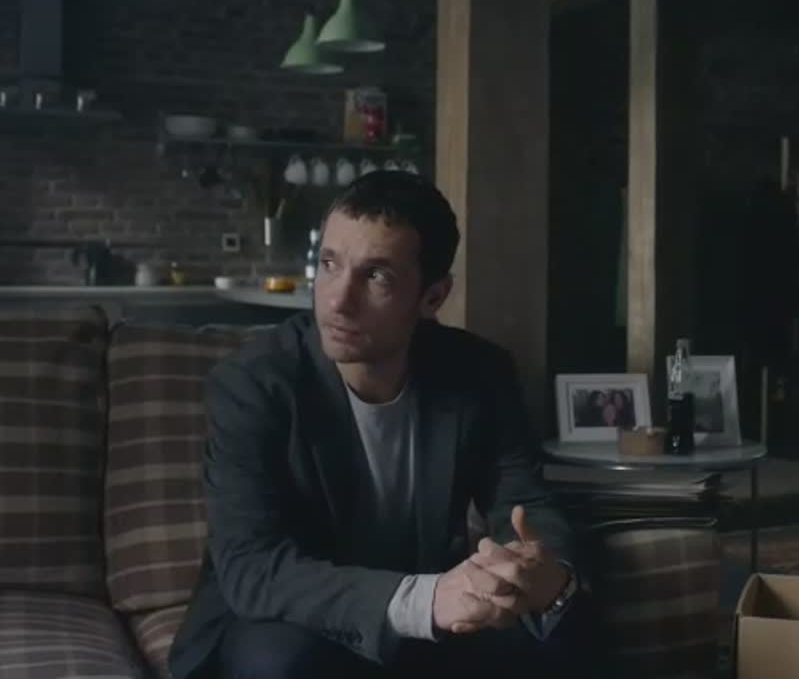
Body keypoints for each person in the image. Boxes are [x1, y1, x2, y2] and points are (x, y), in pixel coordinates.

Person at [168, 171, 593, 679]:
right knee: (281, 661)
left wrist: (536, 568)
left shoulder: (479, 371)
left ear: (433, 297)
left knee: (554, 631)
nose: (337, 300)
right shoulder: (253, 382)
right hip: (286, 618)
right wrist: (427, 599)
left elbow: (525, 502)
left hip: (424, 615)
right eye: (330, 265)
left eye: (376, 277)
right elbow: (252, 566)